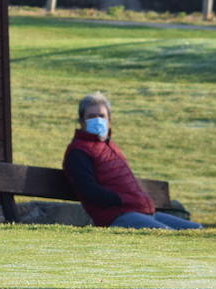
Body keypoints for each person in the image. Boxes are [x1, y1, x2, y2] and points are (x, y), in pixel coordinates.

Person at [62, 91, 201, 230]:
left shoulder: (108, 146)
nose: (98, 120)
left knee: (196, 230)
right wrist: (121, 199)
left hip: (141, 212)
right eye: (91, 116)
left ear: (109, 120)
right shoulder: (78, 152)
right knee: (167, 233)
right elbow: (88, 190)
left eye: (101, 116)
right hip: (116, 216)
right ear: (81, 121)